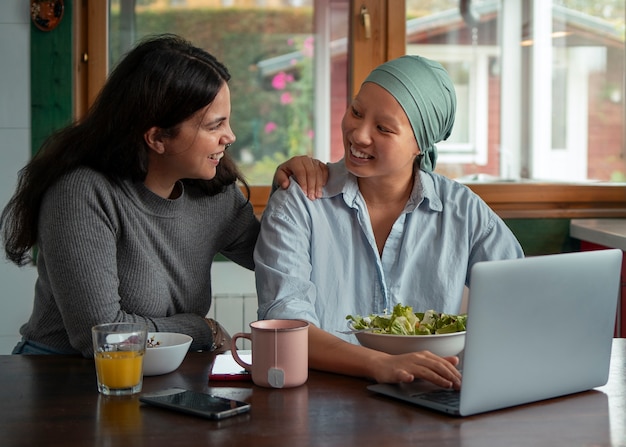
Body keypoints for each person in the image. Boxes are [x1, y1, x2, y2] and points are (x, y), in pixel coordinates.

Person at [1, 34, 327, 358]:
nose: (230, 136)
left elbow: (278, 257)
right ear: (157, 138)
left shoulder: (211, 190)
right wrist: (202, 329)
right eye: (215, 126)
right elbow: (102, 337)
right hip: (61, 378)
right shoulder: (81, 194)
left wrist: (286, 195)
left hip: (163, 373)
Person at [254, 55, 524, 390]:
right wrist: (382, 365)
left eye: (383, 128)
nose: (359, 134)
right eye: (356, 111)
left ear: (420, 145)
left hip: (430, 402)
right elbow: (286, 328)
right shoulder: (300, 200)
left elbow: (520, 305)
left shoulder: (463, 211)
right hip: (324, 402)